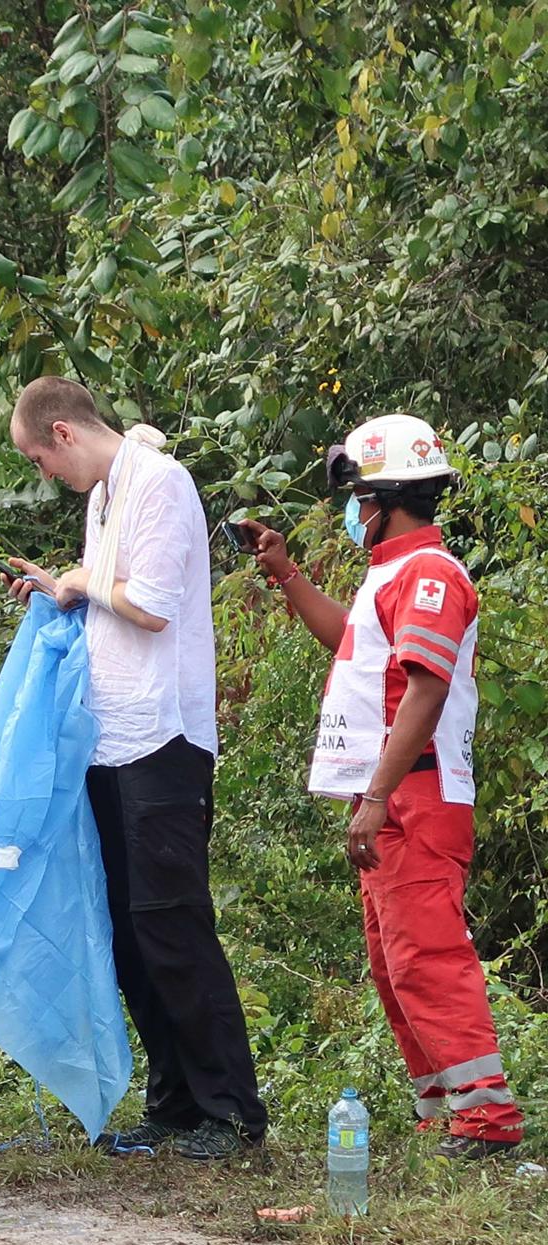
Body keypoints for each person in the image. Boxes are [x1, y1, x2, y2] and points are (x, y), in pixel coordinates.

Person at [244, 414, 524, 1160]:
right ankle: (448, 1114)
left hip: (416, 795)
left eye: (357, 496)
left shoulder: (429, 575)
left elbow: (425, 693)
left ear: (384, 497)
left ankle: (487, 1122)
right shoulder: (390, 576)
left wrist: (375, 797)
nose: (352, 511)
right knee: (397, 961)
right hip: (395, 796)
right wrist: (288, 574)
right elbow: (354, 643)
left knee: (428, 956)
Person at [2, 376, 268, 1160]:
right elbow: (114, 602)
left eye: (37, 459)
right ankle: (176, 1102)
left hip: (164, 737)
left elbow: (150, 602)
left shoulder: (160, 482)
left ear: (62, 434)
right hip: (109, 736)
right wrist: (66, 593)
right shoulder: (104, 496)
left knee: (173, 925)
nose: (44, 476)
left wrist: (86, 581)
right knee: (127, 932)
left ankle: (233, 1109)